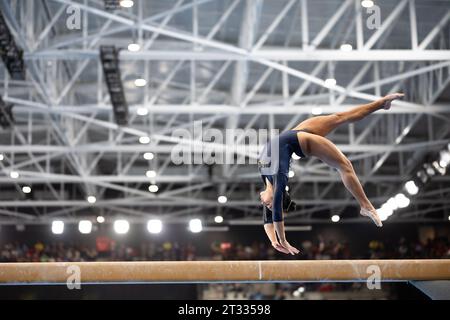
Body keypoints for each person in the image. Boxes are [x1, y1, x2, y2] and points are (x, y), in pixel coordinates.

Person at [258, 93, 405, 255]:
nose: (266, 206)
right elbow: (274, 215)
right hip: (302, 141)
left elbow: (269, 220)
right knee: (345, 165)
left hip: (296, 133)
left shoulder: (267, 181)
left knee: (341, 117)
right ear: (277, 197)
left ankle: (381, 103)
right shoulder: (279, 178)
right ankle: (365, 206)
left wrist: (274, 239)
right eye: (270, 205)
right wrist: (281, 240)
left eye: (269, 206)